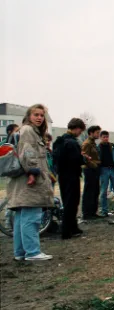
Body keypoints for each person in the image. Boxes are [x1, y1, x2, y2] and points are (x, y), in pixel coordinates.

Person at [7, 104, 55, 261]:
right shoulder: (28, 131)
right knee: (31, 217)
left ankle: (20, 252)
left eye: (42, 115)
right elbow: (27, 153)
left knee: (22, 217)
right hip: (30, 180)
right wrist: (33, 172)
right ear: (29, 116)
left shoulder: (26, 130)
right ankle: (33, 252)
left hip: (22, 180)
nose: (40, 118)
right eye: (36, 114)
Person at [52, 118, 87, 239]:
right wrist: (83, 158)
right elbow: (76, 159)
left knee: (67, 200)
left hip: (62, 174)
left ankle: (72, 227)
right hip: (71, 174)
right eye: (80, 131)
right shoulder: (71, 142)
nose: (80, 133)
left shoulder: (59, 140)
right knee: (72, 202)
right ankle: (67, 230)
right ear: (77, 128)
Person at [81, 126, 102, 219]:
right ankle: (87, 213)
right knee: (89, 191)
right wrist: (94, 165)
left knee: (95, 191)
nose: (98, 134)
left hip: (95, 169)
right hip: (90, 169)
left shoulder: (93, 143)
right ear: (91, 133)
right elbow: (85, 158)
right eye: (97, 132)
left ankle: (93, 212)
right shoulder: (87, 144)